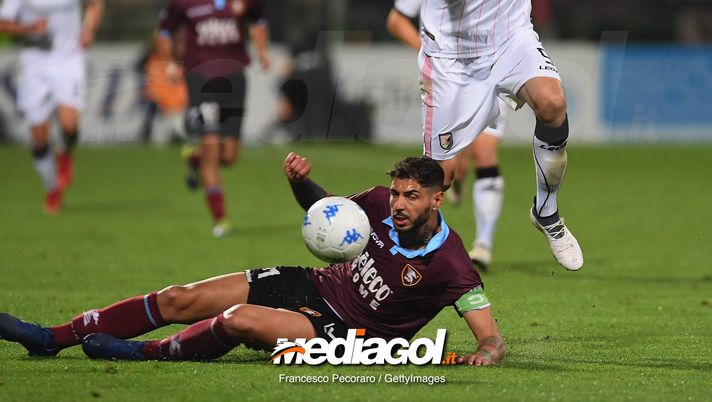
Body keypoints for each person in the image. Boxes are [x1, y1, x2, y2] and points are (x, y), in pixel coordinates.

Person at [0, 153, 505, 366]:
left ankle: (140, 354)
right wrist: (299, 184)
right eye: (396, 193)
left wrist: (486, 352)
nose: (397, 205)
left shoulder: (452, 266)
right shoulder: (375, 202)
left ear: (437, 200)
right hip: (317, 285)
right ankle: (52, 338)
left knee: (238, 320)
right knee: (181, 297)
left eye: (411, 197)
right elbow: (330, 216)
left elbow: (490, 335)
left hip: (347, 338)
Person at [416, 0, 583, 271]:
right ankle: (406, 259)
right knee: (439, 177)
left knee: (552, 104)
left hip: (511, 38)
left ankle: (546, 211)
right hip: (452, 55)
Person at [386, 0, 507, 270]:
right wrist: (438, 52)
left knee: (486, 152)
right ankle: (421, 249)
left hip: (489, 70)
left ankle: (483, 245)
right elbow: (396, 20)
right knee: (447, 173)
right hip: (447, 74)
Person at [156, 0, 271, 237]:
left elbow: (259, 20)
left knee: (228, 157)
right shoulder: (183, 3)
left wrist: (261, 49)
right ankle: (221, 220)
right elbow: (164, 30)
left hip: (234, 80)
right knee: (211, 146)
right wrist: (169, 64)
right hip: (201, 79)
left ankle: (195, 160)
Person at [0, 0, 104, 214]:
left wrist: (88, 30)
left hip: (68, 60)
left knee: (69, 125)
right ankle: (52, 189)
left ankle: (65, 152)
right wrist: (28, 28)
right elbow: (2, 23)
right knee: (39, 136)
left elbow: (95, 4)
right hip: (33, 64)